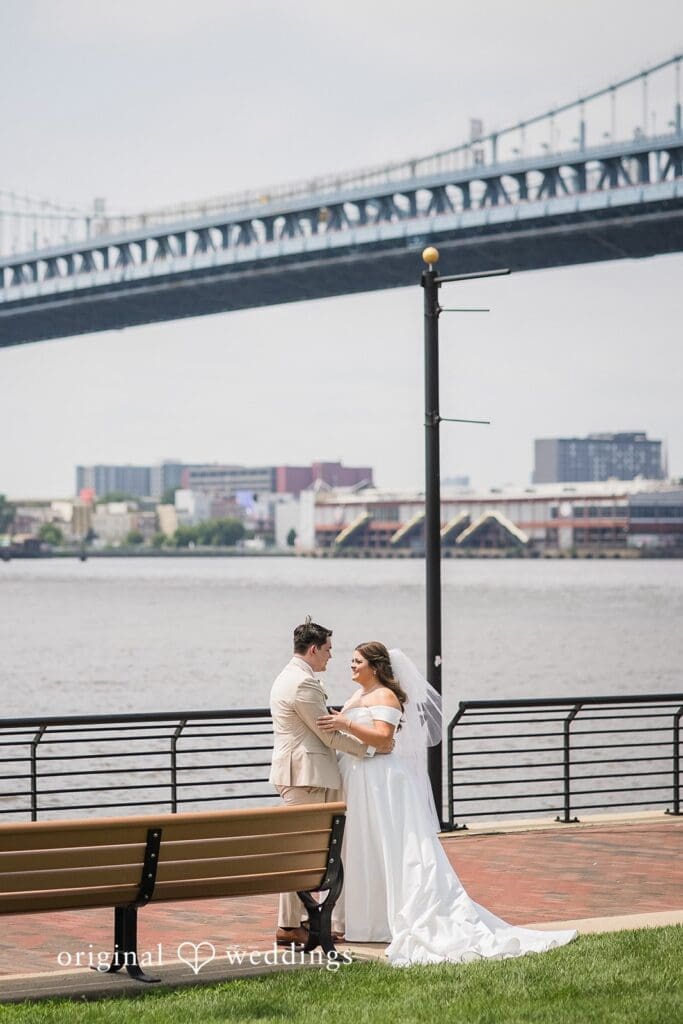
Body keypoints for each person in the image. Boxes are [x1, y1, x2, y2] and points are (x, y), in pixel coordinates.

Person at [317, 641, 577, 966]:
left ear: (375, 666)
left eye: (357, 661)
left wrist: (345, 724)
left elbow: (384, 740)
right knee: (366, 848)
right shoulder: (358, 696)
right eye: (351, 661)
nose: (351, 665)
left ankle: (391, 919)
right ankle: (366, 921)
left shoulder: (385, 695)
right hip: (361, 782)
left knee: (392, 848)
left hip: (382, 783)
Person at [268, 619, 392, 948]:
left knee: (306, 850)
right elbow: (327, 733)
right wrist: (370, 748)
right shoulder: (303, 684)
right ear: (312, 649)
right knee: (301, 852)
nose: (330, 657)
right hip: (305, 776)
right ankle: (289, 924)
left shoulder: (290, 676)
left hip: (300, 773)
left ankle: (301, 919)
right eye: (327, 650)